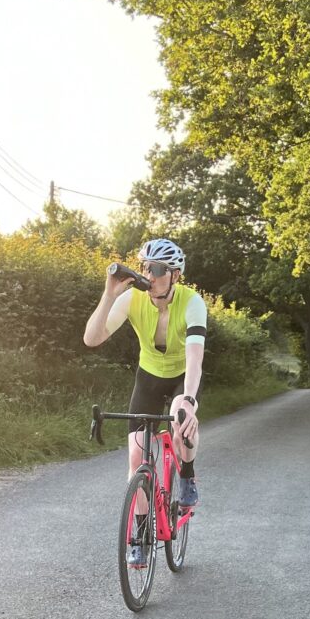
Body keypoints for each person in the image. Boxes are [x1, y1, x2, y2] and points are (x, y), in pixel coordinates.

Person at [83, 238, 206, 568]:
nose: (148, 275)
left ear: (175, 275)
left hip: (183, 376)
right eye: (145, 268)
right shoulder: (132, 298)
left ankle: (188, 476)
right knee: (137, 457)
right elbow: (91, 339)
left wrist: (190, 402)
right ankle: (138, 537)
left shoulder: (192, 303)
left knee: (181, 417)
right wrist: (109, 293)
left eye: (157, 270)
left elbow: (195, 358)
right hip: (149, 377)